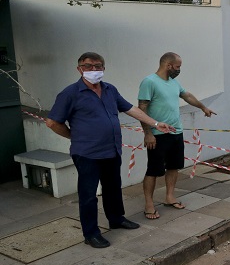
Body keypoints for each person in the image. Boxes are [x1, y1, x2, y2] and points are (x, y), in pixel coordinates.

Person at [46, 52, 175, 249]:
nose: (93, 70)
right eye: (88, 66)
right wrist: (74, 136)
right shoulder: (70, 93)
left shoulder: (109, 89)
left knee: (113, 187)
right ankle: (91, 233)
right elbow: (52, 122)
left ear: (103, 69)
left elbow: (131, 109)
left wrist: (156, 123)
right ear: (79, 69)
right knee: (88, 194)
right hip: (87, 153)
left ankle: (116, 219)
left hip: (112, 149)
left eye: (98, 66)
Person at [138, 52, 216, 219]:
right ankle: (149, 204)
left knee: (173, 166)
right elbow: (141, 109)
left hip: (176, 132)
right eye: (177, 67)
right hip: (158, 134)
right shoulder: (149, 82)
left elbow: (186, 95)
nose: (179, 70)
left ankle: (169, 196)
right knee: (153, 170)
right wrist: (148, 133)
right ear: (168, 65)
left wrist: (203, 107)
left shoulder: (173, 82)